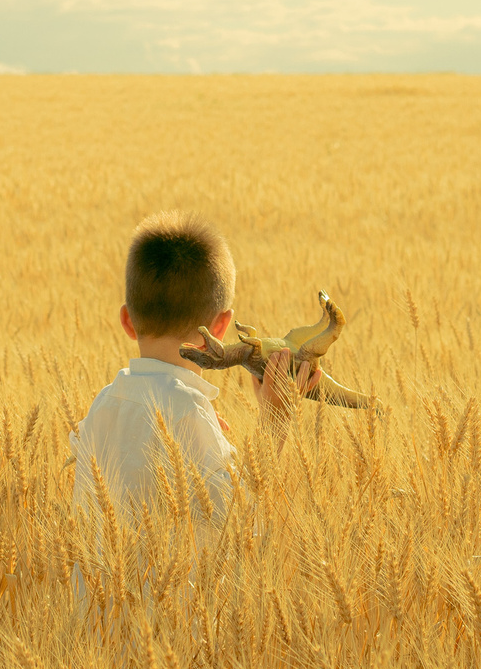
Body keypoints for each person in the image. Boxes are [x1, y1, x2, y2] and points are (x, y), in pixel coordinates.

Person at [71, 210, 317, 532]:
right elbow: (240, 524)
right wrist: (274, 423)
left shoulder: (104, 404)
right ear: (220, 327)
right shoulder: (188, 414)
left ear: (127, 321)